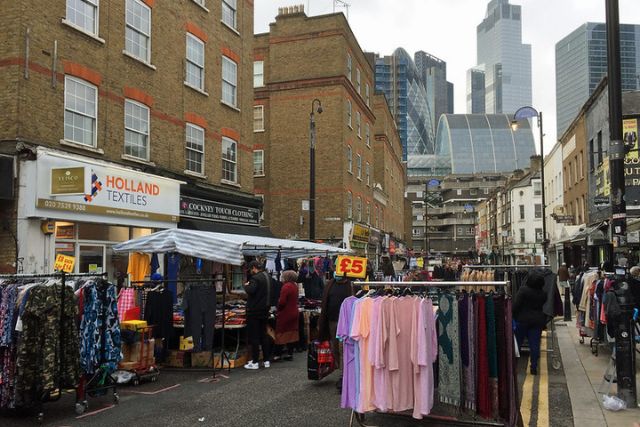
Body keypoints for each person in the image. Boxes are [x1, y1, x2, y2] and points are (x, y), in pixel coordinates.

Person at [318, 275, 353, 392]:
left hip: (347, 321)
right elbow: (325, 302)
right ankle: (342, 370)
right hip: (332, 320)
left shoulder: (351, 285)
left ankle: (344, 376)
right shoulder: (330, 284)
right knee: (335, 348)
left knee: (344, 348)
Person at [512, 271, 548, 375]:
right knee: (534, 344)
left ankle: (514, 366)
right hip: (537, 321)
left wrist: (513, 315)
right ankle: (534, 367)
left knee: (517, 343)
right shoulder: (543, 294)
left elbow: (516, 305)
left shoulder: (523, 290)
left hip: (522, 320)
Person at [244, 260, 273, 370]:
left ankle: (255, 361)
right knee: (264, 335)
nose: (251, 272)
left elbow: (251, 290)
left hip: (254, 311)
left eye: (251, 270)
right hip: (265, 310)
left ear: (254, 268)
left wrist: (246, 286)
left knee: (254, 336)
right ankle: (266, 360)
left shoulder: (255, 278)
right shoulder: (268, 277)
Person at [274, 270, 300, 361]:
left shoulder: (286, 286)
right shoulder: (295, 286)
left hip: (286, 313)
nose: (282, 277)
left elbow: (282, 302)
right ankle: (289, 353)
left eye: (283, 276)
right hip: (294, 312)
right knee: (291, 333)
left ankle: (277, 355)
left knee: (280, 333)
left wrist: (278, 308)